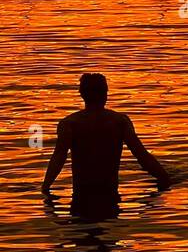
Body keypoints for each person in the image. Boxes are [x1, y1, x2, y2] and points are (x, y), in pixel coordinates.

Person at [41, 73, 172, 213]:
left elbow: (58, 159)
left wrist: (45, 189)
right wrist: (165, 179)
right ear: (105, 94)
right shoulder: (119, 122)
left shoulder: (70, 124)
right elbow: (142, 156)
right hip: (110, 194)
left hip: (81, 195)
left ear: (81, 94)